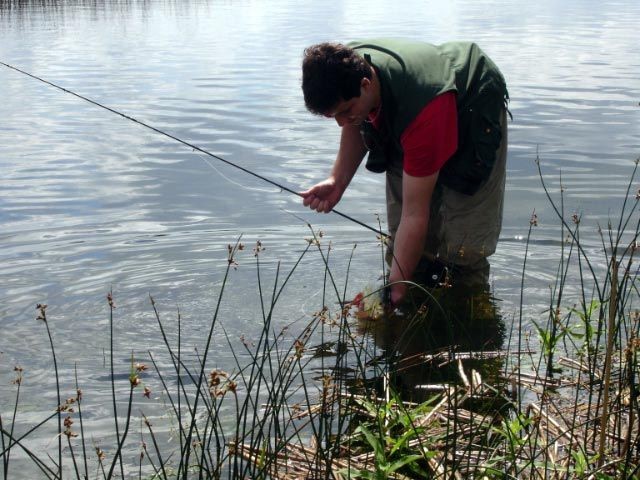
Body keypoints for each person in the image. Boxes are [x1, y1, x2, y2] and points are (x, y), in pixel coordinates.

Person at [300, 38, 509, 306]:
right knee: (405, 241)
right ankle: (411, 296)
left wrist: (396, 290)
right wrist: (337, 181)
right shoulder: (342, 70)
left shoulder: (423, 108)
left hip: (471, 108)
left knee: (461, 245)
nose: (342, 122)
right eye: (334, 117)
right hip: (411, 113)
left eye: (346, 112)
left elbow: (415, 212)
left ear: (365, 85)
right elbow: (353, 120)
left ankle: (465, 318)